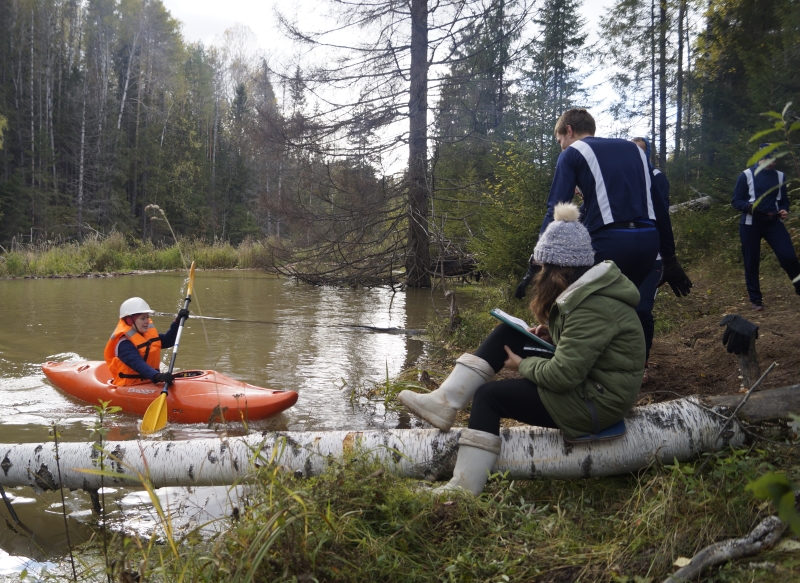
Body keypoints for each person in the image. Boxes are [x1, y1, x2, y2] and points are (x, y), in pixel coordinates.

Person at [399, 203, 645, 495]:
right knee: (510, 333)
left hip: (597, 403)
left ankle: (463, 489)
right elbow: (588, 349)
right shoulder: (590, 294)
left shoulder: (592, 307)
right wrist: (552, 336)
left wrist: (521, 365)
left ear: (560, 269)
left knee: (490, 397)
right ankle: (445, 401)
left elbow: (564, 375)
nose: (539, 275)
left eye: (543, 267)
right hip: (593, 385)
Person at [515, 108, 691, 298]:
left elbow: (556, 211)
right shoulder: (634, 150)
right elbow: (659, 208)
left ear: (569, 130)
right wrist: (670, 258)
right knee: (626, 308)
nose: (562, 147)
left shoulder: (571, 152)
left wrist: (535, 264)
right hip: (648, 244)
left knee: (576, 307)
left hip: (608, 244)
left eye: (560, 141)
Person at [732, 144, 800, 310]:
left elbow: (783, 200)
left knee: (788, 256)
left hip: (774, 223)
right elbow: (736, 200)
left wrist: (784, 209)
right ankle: (756, 300)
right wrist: (750, 208)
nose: (771, 162)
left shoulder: (780, 176)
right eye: (767, 158)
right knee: (751, 262)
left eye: (774, 159)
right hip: (750, 224)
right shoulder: (746, 175)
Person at [631, 136, 674, 382]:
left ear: (647, 154)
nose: (635, 155)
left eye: (640, 151)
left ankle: (642, 363)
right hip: (623, 254)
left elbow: (661, 213)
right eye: (631, 151)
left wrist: (669, 255)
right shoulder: (622, 177)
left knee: (641, 310)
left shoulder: (656, 176)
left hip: (653, 255)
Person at [104, 297, 189, 386]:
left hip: (151, 381)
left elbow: (169, 340)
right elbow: (139, 365)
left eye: (147, 317)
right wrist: (158, 376)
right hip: (131, 386)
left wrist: (177, 321)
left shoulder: (147, 336)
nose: (147, 321)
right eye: (143, 318)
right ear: (129, 320)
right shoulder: (124, 344)